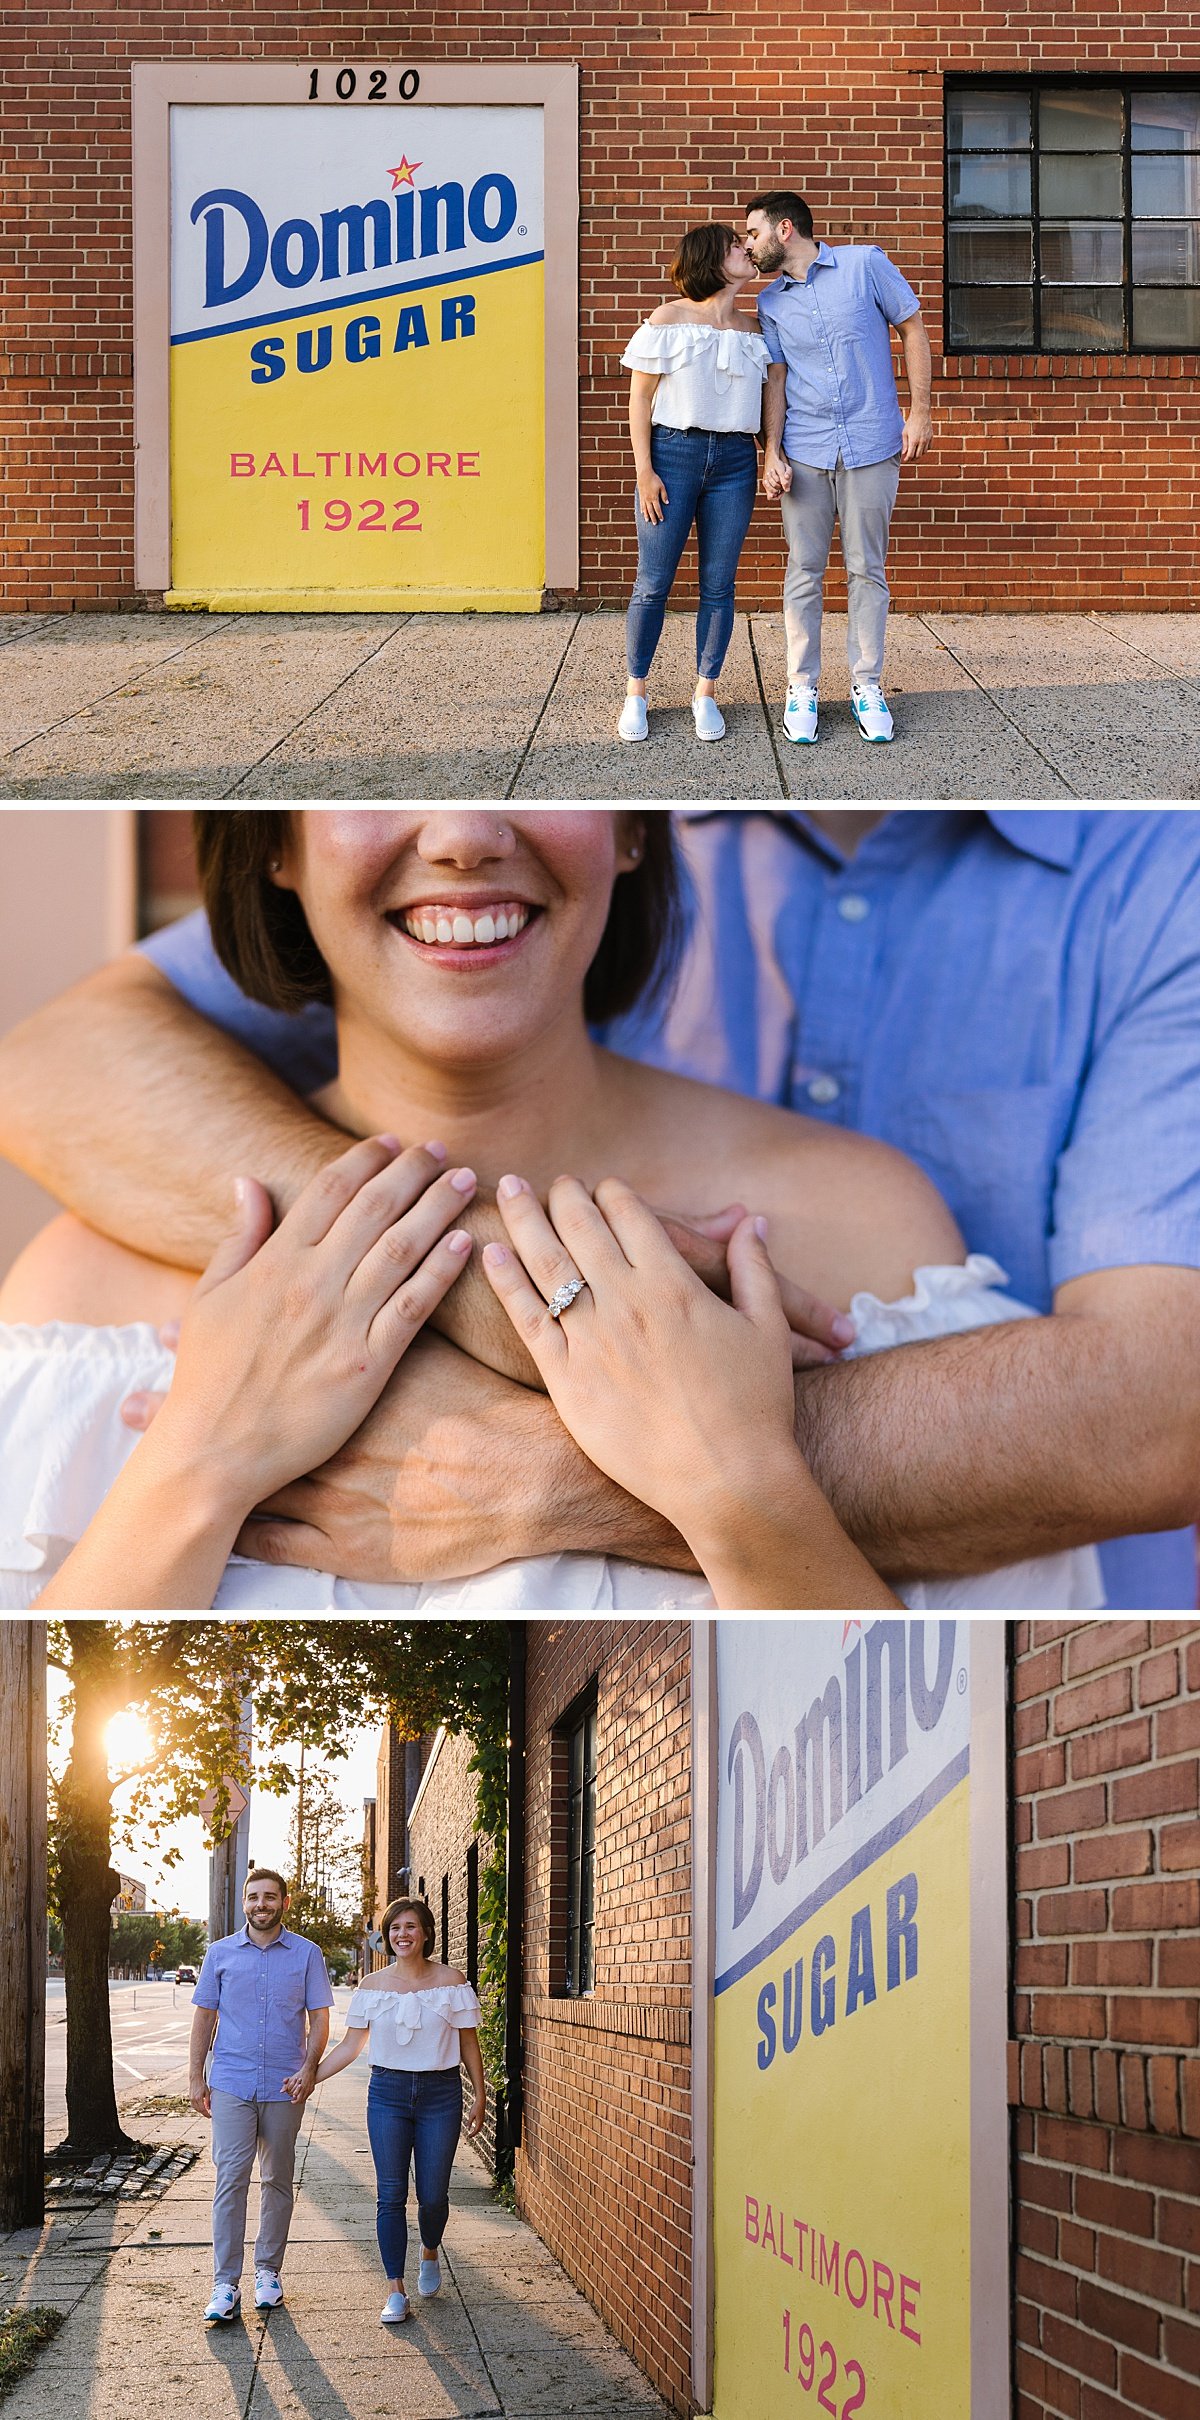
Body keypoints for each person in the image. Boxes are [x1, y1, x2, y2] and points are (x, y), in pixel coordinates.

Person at [0, 810, 1171, 1608]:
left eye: (535, 772)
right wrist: (202, 1459)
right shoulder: (83, 1286)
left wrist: (642, 1476)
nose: (462, 835)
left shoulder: (859, 1232)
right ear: (276, 847)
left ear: (629, 830)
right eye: (376, 777)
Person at [743, 191, 933, 745]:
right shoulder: (771, 305)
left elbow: (914, 330)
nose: (748, 245)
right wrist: (771, 451)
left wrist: (920, 413)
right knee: (803, 571)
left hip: (873, 442)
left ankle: (866, 684)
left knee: (866, 569)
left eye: (753, 234)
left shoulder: (864, 264)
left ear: (784, 230)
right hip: (806, 449)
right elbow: (776, 379)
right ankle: (801, 685)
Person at [299, 1897, 485, 2325]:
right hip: (388, 2094)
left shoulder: (451, 1981)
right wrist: (311, 2076)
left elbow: (469, 2043)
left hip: (440, 2094)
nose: (403, 1934)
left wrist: (479, 2095)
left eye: (411, 1926)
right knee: (390, 2195)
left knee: (434, 2195)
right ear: (386, 1935)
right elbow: (350, 2046)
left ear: (426, 1934)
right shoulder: (371, 1986)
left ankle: (430, 2250)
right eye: (395, 1927)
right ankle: (395, 2289)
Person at [617, 225, 769, 744]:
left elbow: (772, 403)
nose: (745, 250)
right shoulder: (668, 319)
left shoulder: (754, 328)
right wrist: (644, 471)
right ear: (711, 259)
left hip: (734, 461)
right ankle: (636, 691)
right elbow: (639, 400)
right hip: (672, 455)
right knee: (653, 582)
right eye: (734, 246)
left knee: (719, 584)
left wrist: (773, 455)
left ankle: (705, 691)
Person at [188, 1865, 333, 2325]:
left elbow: (320, 2018)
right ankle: (224, 2283)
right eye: (254, 1897)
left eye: (270, 1897)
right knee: (230, 2179)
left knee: (277, 2179)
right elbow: (204, 2018)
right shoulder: (220, 1954)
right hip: (231, 2081)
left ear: (284, 1903)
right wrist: (196, 2078)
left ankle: (268, 2272)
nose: (261, 1905)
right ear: (244, 1902)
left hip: (284, 2086)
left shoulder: (307, 1954)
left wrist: (309, 2069)